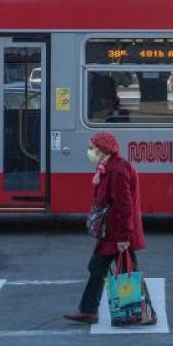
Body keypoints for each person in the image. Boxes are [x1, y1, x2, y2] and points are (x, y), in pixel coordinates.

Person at [64, 131, 148, 325]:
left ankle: (97, 311)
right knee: (118, 269)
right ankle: (94, 311)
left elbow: (124, 206)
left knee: (105, 267)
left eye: (92, 147)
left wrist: (124, 237)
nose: (90, 151)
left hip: (116, 232)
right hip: (112, 231)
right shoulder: (108, 167)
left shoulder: (117, 171)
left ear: (103, 149)